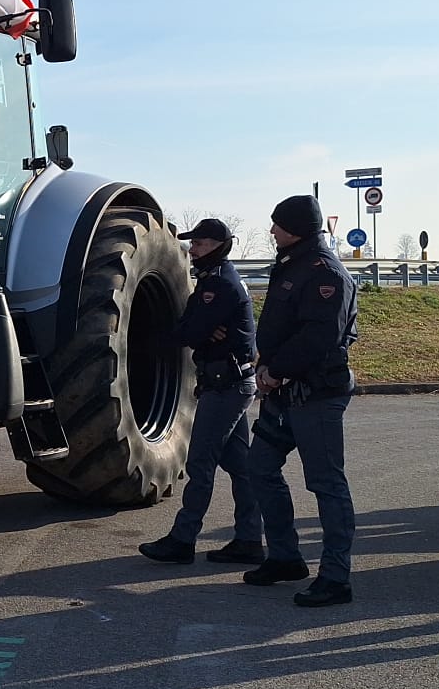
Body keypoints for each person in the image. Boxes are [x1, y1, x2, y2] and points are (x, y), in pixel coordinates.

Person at [240, 195, 360, 607]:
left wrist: (277, 370)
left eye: (277, 224)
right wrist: (267, 367)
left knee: (326, 483)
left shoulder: (325, 272)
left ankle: (336, 577)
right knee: (259, 467)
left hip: (316, 394)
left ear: (296, 227)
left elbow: (318, 336)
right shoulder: (293, 264)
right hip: (286, 393)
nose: (271, 230)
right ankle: (286, 557)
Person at [138, 218, 263, 566]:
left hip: (227, 385)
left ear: (220, 246)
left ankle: (183, 539)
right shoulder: (212, 281)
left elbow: (188, 333)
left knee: (200, 463)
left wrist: (197, 331)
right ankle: (250, 538)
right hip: (226, 383)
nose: (193, 250)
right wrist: (199, 330)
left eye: (202, 244)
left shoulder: (220, 285)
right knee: (240, 465)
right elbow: (190, 326)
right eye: (194, 244)